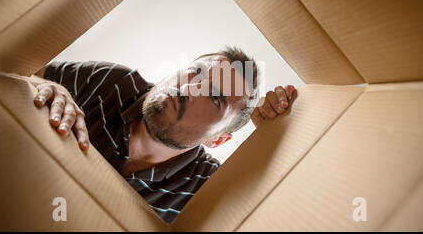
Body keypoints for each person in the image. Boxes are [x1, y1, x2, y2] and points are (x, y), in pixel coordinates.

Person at [30, 46, 296, 223]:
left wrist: (269, 142)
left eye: (215, 97)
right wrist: (44, 86)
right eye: (197, 72)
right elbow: (16, 74)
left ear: (218, 139)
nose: (191, 88)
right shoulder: (111, 83)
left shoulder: (204, 187)